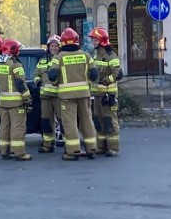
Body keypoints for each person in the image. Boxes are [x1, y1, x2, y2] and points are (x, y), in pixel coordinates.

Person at [47, 27, 99, 160]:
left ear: (62, 42)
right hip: (84, 95)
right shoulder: (86, 55)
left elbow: (52, 75)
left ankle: (73, 151)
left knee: (70, 123)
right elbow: (94, 74)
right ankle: (91, 148)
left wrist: (57, 82)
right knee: (87, 120)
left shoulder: (58, 58)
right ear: (77, 41)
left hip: (66, 97)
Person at [88, 27, 123, 156]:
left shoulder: (111, 56)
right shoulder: (96, 56)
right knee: (98, 121)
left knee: (109, 121)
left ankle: (113, 147)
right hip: (96, 96)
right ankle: (101, 146)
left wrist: (105, 80)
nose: (93, 42)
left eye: (95, 40)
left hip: (108, 95)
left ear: (102, 41)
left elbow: (118, 74)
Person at [0, 39, 32, 161]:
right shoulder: (15, 64)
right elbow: (20, 83)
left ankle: (4, 151)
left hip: (3, 102)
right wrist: (27, 99)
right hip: (16, 102)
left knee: (4, 126)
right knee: (18, 127)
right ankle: (19, 152)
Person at [33, 35, 61, 153]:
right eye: (52, 46)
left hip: (59, 96)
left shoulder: (62, 59)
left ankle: (70, 145)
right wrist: (38, 81)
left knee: (64, 121)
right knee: (46, 121)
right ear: (48, 47)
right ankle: (48, 144)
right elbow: (36, 75)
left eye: (56, 46)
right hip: (45, 97)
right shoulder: (42, 61)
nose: (53, 48)